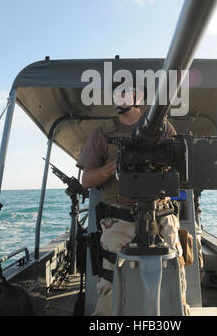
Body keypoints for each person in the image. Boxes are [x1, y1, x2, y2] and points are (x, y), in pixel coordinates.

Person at [77, 85, 189, 316]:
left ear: (140, 98)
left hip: (161, 216)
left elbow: (180, 171)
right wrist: (114, 166)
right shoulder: (103, 133)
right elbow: (86, 180)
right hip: (120, 220)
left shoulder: (163, 128)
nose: (119, 97)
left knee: (174, 277)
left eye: (126, 93)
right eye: (116, 94)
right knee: (112, 283)